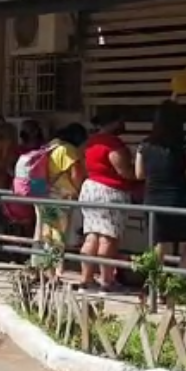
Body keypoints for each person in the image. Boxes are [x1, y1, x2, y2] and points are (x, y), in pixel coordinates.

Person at [135, 102, 186, 269]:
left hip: (151, 200)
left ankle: (154, 287)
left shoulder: (144, 145)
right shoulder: (184, 144)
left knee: (159, 243)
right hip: (176, 200)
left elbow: (139, 174)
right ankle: (175, 284)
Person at [79, 110, 137, 290]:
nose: (124, 125)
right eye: (121, 121)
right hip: (110, 192)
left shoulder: (90, 141)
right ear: (115, 122)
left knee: (91, 236)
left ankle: (86, 279)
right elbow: (124, 171)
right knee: (108, 238)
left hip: (90, 189)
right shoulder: (112, 143)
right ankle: (107, 281)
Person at [33, 123, 87, 270]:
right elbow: (76, 174)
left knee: (45, 231)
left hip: (43, 193)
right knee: (58, 233)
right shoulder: (68, 150)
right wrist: (78, 191)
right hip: (59, 196)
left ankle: (40, 265)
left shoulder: (50, 146)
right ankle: (57, 269)